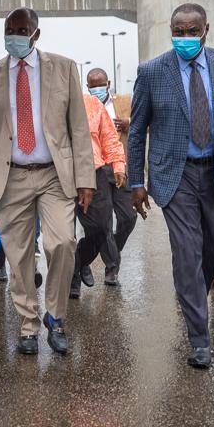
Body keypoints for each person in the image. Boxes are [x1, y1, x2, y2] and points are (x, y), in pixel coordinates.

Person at [127, 2, 214, 370]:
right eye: (178, 31)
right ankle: (199, 338)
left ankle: (193, 296)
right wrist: (136, 181)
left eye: (192, 31)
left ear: (206, 30)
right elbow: (137, 131)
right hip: (176, 174)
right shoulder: (152, 72)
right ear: (171, 31)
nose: (185, 37)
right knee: (187, 251)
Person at [0, 7, 95, 356]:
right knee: (19, 256)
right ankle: (28, 324)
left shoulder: (64, 68)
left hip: (54, 174)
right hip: (10, 176)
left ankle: (55, 317)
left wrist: (85, 179)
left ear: (35, 34)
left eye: (21, 30)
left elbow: (78, 128)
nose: (14, 36)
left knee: (62, 243)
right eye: (9, 30)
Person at [69, 75, 127, 300]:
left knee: (101, 228)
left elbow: (110, 138)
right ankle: (72, 279)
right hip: (61, 175)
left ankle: (80, 262)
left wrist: (118, 165)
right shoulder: (50, 107)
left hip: (94, 172)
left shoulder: (93, 105)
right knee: (64, 236)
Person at [82, 68, 136, 287]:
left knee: (128, 217)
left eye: (100, 85)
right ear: (87, 87)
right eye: (92, 86)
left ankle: (113, 250)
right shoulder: (84, 105)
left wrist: (129, 123)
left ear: (108, 84)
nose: (97, 89)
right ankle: (111, 268)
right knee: (102, 222)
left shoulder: (124, 102)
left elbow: (145, 123)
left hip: (120, 166)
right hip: (98, 169)